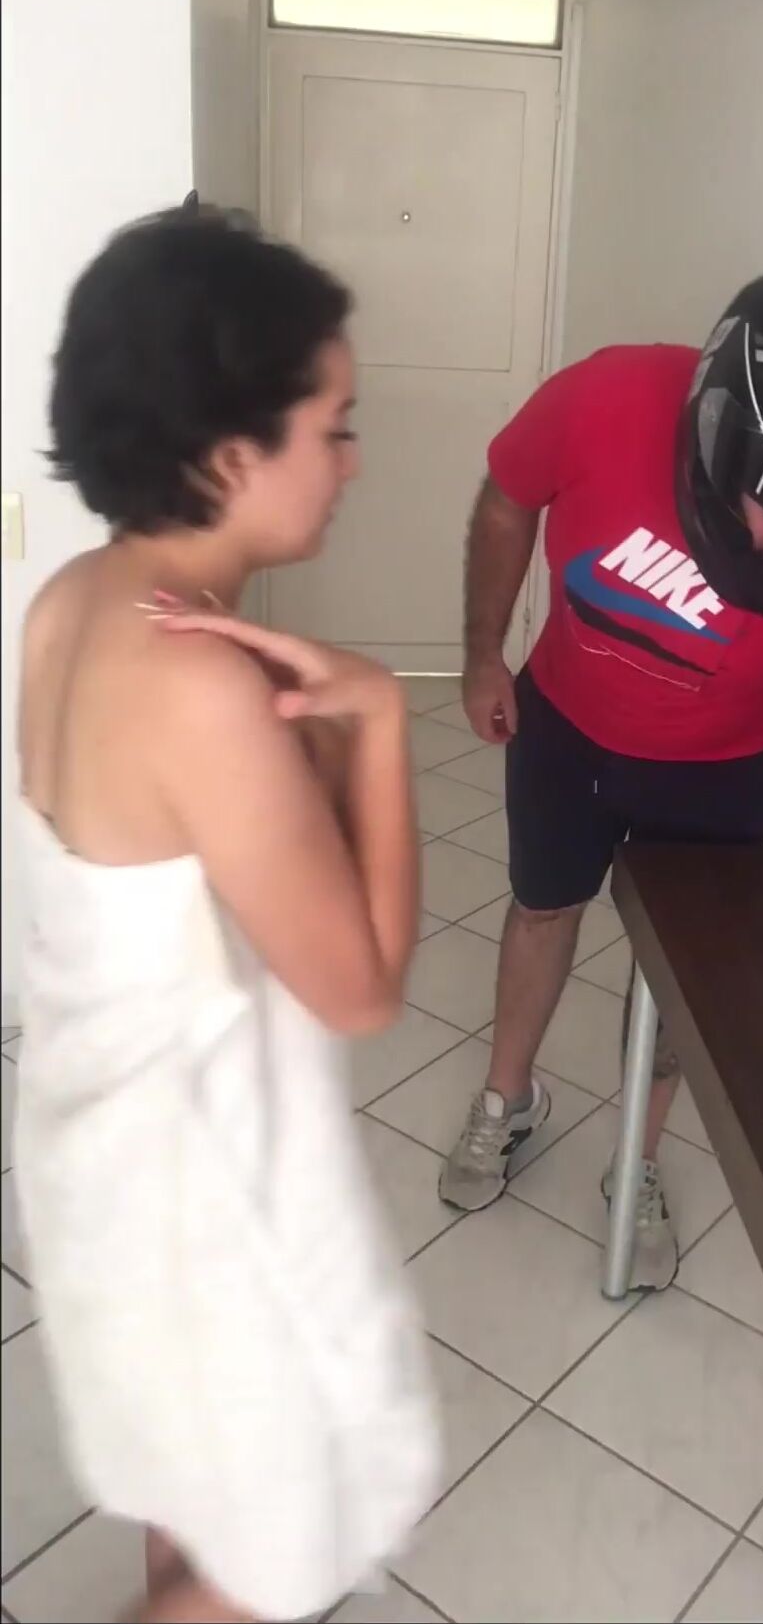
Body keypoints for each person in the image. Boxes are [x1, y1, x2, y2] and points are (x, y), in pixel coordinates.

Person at [15, 207, 438, 1623]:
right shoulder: (201, 682)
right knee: (267, 1560)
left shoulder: (69, 602)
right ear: (230, 453)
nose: (353, 461)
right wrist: (379, 723)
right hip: (195, 1208)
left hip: (101, 1151)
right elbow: (362, 987)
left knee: (189, 1506)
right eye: (335, 426)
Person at [440, 269, 763, 1291]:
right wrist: (481, 652)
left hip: (721, 775)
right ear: (725, 441)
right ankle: (508, 1099)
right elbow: (506, 501)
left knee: (673, 977)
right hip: (566, 729)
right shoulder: (607, 400)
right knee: (542, 908)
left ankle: (635, 1160)